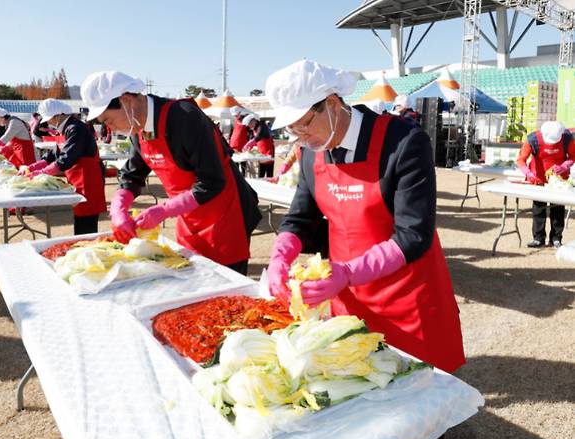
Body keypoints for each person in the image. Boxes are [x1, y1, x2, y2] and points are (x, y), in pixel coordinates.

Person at [265, 59, 465, 373]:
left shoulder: (403, 142)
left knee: (419, 387)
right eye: (292, 130)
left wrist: (347, 271)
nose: (301, 136)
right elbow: (299, 218)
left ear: (331, 103)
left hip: (406, 293)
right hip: (347, 295)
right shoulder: (311, 152)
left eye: (304, 123)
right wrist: (280, 257)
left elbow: (413, 234)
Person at [80, 71, 261, 274]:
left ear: (126, 100)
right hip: (188, 215)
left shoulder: (184, 117)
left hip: (225, 214)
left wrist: (164, 210)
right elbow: (132, 175)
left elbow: (211, 182)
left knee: (227, 291)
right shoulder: (138, 128)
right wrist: (118, 208)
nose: (109, 128)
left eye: (108, 120)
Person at [21, 99, 106, 234]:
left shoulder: (76, 128)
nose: (49, 123)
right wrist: (33, 167)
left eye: (50, 119)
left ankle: (84, 248)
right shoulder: (65, 129)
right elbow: (53, 155)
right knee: (80, 220)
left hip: (89, 181)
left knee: (86, 224)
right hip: (77, 180)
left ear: (59, 115)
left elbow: (67, 158)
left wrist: (42, 172)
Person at [516, 121, 575, 249]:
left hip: (558, 179)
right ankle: (538, 238)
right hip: (538, 177)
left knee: (558, 209)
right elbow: (521, 159)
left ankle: (556, 239)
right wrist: (527, 172)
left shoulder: (567, 139)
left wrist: (564, 166)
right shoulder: (532, 139)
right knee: (538, 208)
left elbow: (573, 156)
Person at [242, 113, 275, 178]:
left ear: (253, 121)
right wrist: (249, 147)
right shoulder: (254, 129)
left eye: (249, 125)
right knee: (261, 175)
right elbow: (252, 138)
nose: (249, 126)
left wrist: (249, 144)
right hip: (261, 154)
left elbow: (258, 137)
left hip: (269, 153)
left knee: (269, 175)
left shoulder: (262, 126)